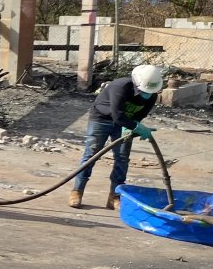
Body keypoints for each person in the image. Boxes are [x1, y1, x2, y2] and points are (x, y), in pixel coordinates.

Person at [69, 64, 164, 210]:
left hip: (124, 124)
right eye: (144, 90)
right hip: (101, 119)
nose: (147, 94)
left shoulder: (151, 95)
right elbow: (117, 114)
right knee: (91, 154)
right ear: (136, 83)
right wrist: (136, 127)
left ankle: (114, 197)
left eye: (150, 91)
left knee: (122, 158)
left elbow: (139, 115)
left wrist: (134, 126)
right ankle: (77, 191)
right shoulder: (120, 87)